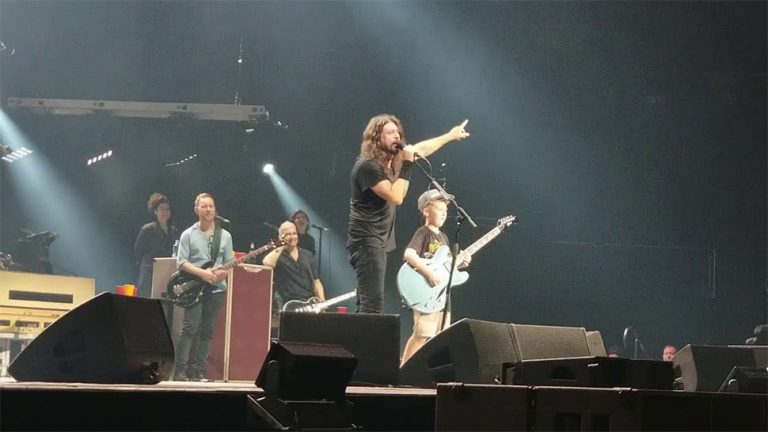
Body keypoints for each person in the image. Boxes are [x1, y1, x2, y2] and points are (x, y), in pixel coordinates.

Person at [347, 114, 470, 313]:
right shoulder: (367, 166)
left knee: (367, 302)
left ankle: (357, 343)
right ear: (377, 138)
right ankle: (364, 343)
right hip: (366, 240)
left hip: (376, 241)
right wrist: (408, 165)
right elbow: (396, 196)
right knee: (372, 305)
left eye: (398, 132)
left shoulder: (391, 163)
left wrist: (450, 136)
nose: (397, 136)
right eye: (390, 133)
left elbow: (421, 149)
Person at [400, 190, 470, 365]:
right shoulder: (423, 232)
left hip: (441, 295)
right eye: (439, 209)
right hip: (425, 292)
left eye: (446, 211)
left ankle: (425, 371)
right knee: (421, 334)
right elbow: (409, 254)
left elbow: (446, 267)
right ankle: (403, 369)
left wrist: (461, 263)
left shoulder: (444, 237)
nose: (444, 214)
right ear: (426, 211)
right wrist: (428, 272)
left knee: (440, 336)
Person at [174, 192, 233, 381]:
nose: (208, 209)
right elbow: (181, 262)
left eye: (211, 206)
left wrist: (223, 273)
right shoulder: (187, 234)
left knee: (207, 330)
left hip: (216, 289)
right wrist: (203, 274)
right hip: (193, 287)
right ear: (196, 209)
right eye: (204, 206)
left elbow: (229, 262)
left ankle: (198, 371)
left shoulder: (224, 235)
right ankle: (180, 371)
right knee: (190, 328)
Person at [263, 221, 325, 317]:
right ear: (281, 237)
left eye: (294, 233)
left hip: (308, 302)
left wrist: (322, 302)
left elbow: (316, 281)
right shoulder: (278, 255)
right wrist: (281, 245)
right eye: (288, 234)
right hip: (288, 303)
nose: (293, 237)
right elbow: (267, 263)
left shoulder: (307, 254)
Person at [134, 193, 179, 298]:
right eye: (162, 209)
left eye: (167, 209)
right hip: (149, 274)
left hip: (167, 274)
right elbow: (137, 252)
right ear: (155, 211)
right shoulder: (147, 229)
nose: (165, 212)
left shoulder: (174, 231)